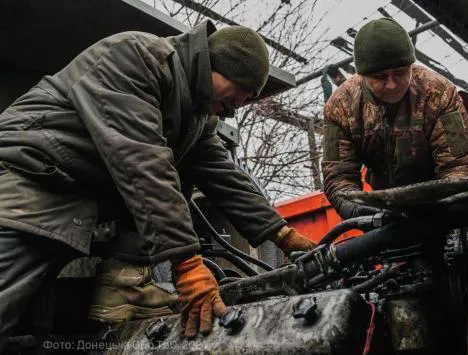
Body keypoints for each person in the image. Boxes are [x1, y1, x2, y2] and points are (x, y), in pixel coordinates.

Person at [0, 20, 315, 350]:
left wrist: (282, 233)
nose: (237, 107)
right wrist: (188, 265)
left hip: (69, 199)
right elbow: (140, 162)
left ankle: (123, 283)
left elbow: (223, 173)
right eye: (240, 90)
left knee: (31, 333)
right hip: (26, 184)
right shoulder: (137, 57)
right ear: (214, 65)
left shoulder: (196, 117)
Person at [322, 18, 468, 218]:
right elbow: (337, 175)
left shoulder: (439, 93)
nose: (392, 84)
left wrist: (446, 210)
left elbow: (461, 165)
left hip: (440, 206)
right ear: (363, 76)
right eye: (380, 77)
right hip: (382, 212)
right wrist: (362, 212)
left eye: (399, 72)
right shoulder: (340, 106)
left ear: (411, 66)